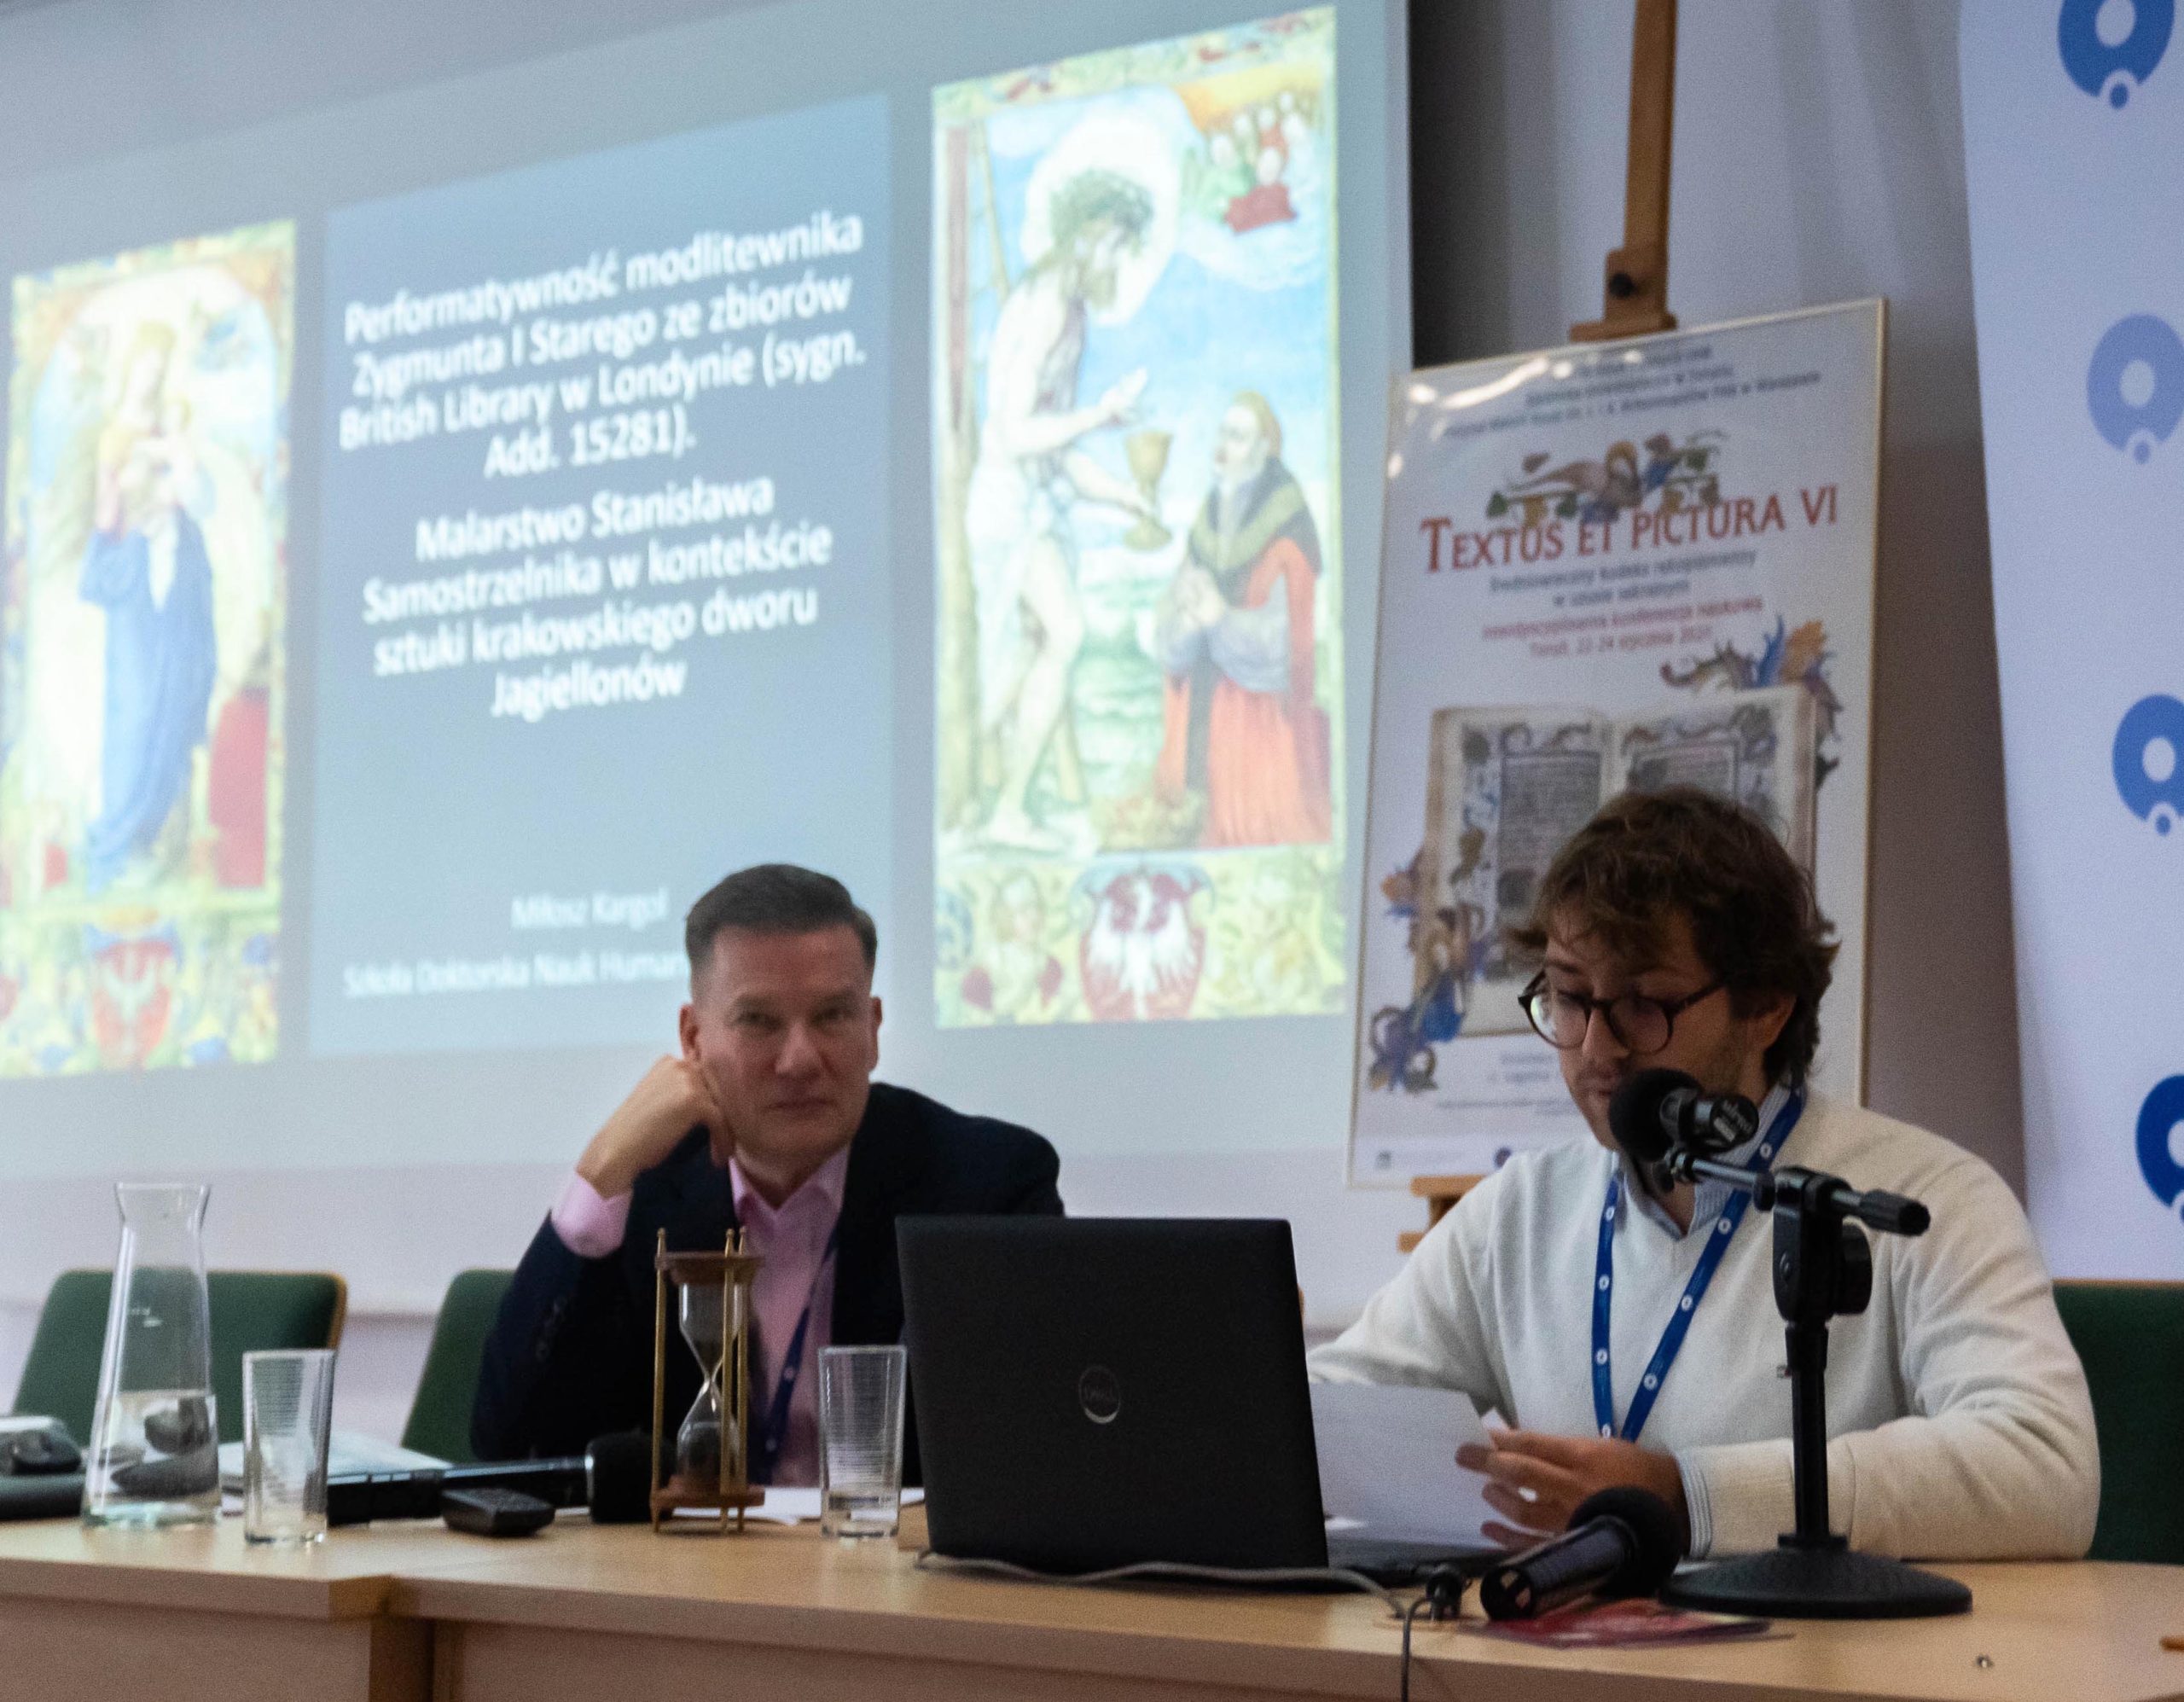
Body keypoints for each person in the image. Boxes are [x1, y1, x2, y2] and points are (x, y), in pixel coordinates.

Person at [1310, 788, 2098, 1561]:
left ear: (1766, 1006)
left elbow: (2045, 1467)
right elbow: (1317, 1418)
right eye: (1569, 997)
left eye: (1644, 1003)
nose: (1596, 1048)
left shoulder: (1922, 1199)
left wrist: (1687, 1496)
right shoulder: (1518, 1214)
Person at [473, 865, 1062, 1481]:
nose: (799, 1059)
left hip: (889, 1543)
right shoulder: (645, 1193)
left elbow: (1038, 1448)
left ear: (873, 1029)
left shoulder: (985, 1186)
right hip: (698, 1547)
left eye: (833, 1016)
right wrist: (600, 1169)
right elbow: (509, 1444)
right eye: (758, 1021)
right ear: (693, 1039)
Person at [965, 167, 1160, 853]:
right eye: (1115, 245)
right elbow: (1013, 433)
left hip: (1032, 502)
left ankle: (993, 799)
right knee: (1060, 633)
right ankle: (1001, 803)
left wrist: (1123, 495)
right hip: (1006, 504)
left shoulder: (1070, 308)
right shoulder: (1047, 304)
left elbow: (1057, 451)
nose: (1118, 261)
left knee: (1039, 644)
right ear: (1086, 235)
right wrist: (1100, 415)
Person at [1152, 392, 1331, 846]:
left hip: (1258, 737)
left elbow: (1285, 648)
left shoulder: (1286, 530)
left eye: (1237, 436)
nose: (1222, 447)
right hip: (1204, 723)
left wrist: (1220, 621)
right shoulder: (1209, 517)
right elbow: (1169, 632)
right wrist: (1185, 620)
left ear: (1264, 448)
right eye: (1222, 434)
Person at [79, 324, 218, 894]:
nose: (151, 376)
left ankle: (149, 836)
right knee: (135, 711)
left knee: (170, 704)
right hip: (133, 576)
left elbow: (196, 495)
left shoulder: (169, 436)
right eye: (145, 365)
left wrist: (174, 475)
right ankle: (113, 842)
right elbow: (107, 513)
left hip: (173, 573)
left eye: (160, 369)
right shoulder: (113, 438)